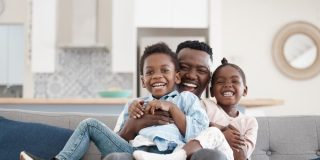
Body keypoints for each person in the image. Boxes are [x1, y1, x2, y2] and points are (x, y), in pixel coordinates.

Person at [20, 42, 209, 160]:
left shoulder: (186, 99)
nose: (157, 76)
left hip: (171, 154)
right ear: (143, 81)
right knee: (89, 124)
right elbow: (117, 142)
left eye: (164, 70)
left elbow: (201, 133)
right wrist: (133, 124)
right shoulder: (135, 104)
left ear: (176, 77)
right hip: (134, 152)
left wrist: (172, 108)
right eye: (150, 72)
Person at [131, 57, 258, 160]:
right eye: (220, 82)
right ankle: (175, 156)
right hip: (201, 154)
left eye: (235, 82)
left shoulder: (249, 122)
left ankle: (175, 157)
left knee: (214, 133)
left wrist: (220, 134)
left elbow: (242, 156)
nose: (228, 85)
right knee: (214, 132)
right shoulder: (203, 105)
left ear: (245, 90)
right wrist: (223, 130)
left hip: (229, 157)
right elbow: (194, 127)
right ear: (212, 91)